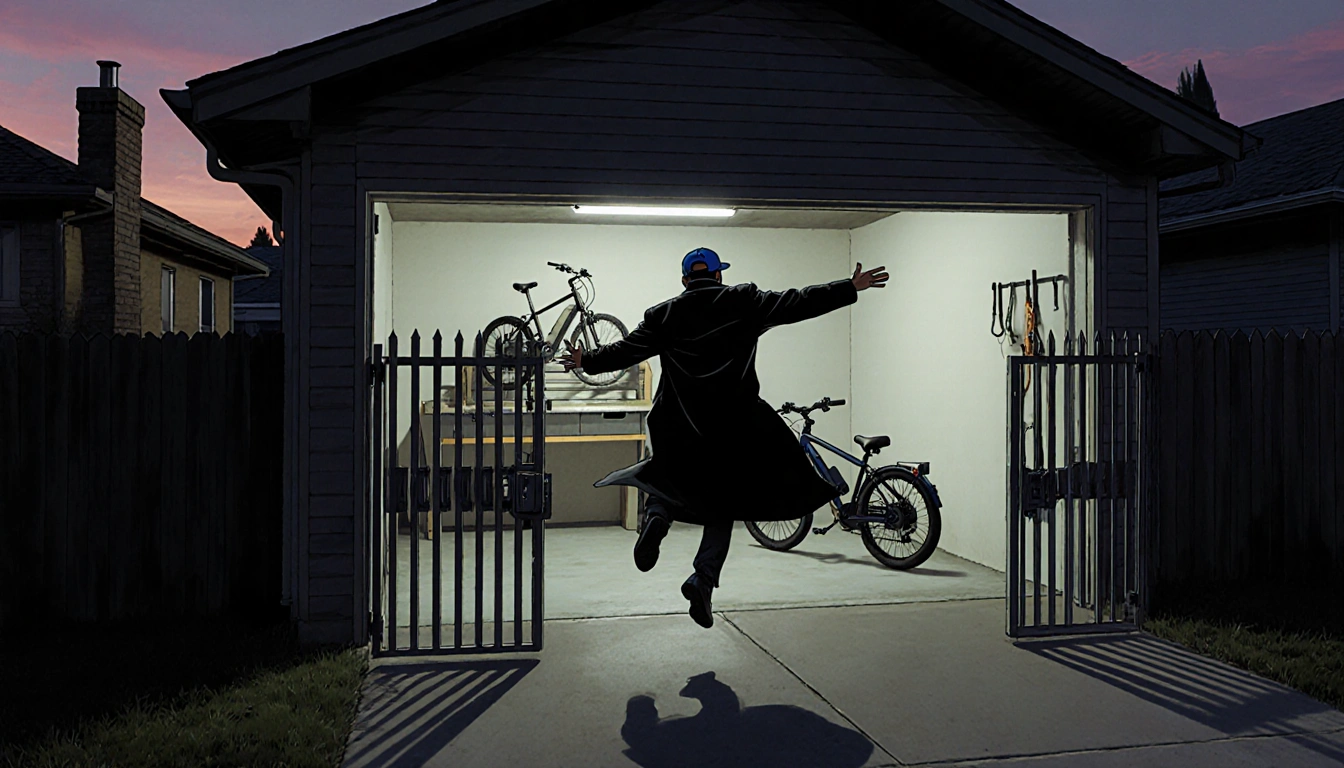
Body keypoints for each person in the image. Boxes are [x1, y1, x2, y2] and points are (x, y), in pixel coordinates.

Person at [559, 247, 889, 628]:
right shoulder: (744, 302)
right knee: (722, 505)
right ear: (718, 276)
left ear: (685, 280)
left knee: (666, 477)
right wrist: (849, 287)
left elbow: (627, 351)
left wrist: (587, 360)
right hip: (732, 431)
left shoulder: (663, 315)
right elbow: (797, 303)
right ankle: (702, 579)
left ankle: (657, 519)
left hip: (680, 426)